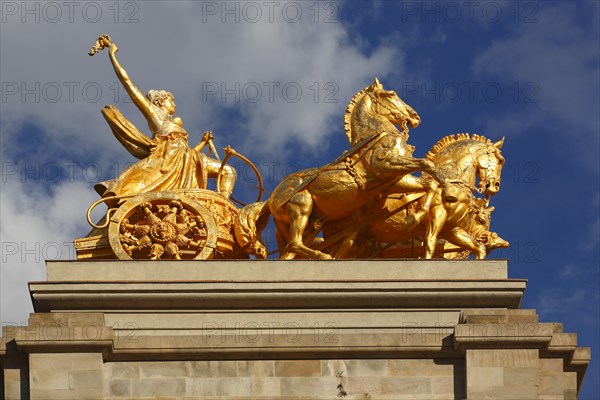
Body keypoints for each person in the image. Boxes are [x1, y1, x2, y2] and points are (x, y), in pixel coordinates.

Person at [91, 35, 236, 200]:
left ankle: (222, 205)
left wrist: (203, 142)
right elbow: (127, 83)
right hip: (165, 164)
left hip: (187, 160)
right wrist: (112, 54)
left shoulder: (175, 130)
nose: (173, 103)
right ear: (160, 101)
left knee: (228, 171)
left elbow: (184, 153)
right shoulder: (154, 113)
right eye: (170, 100)